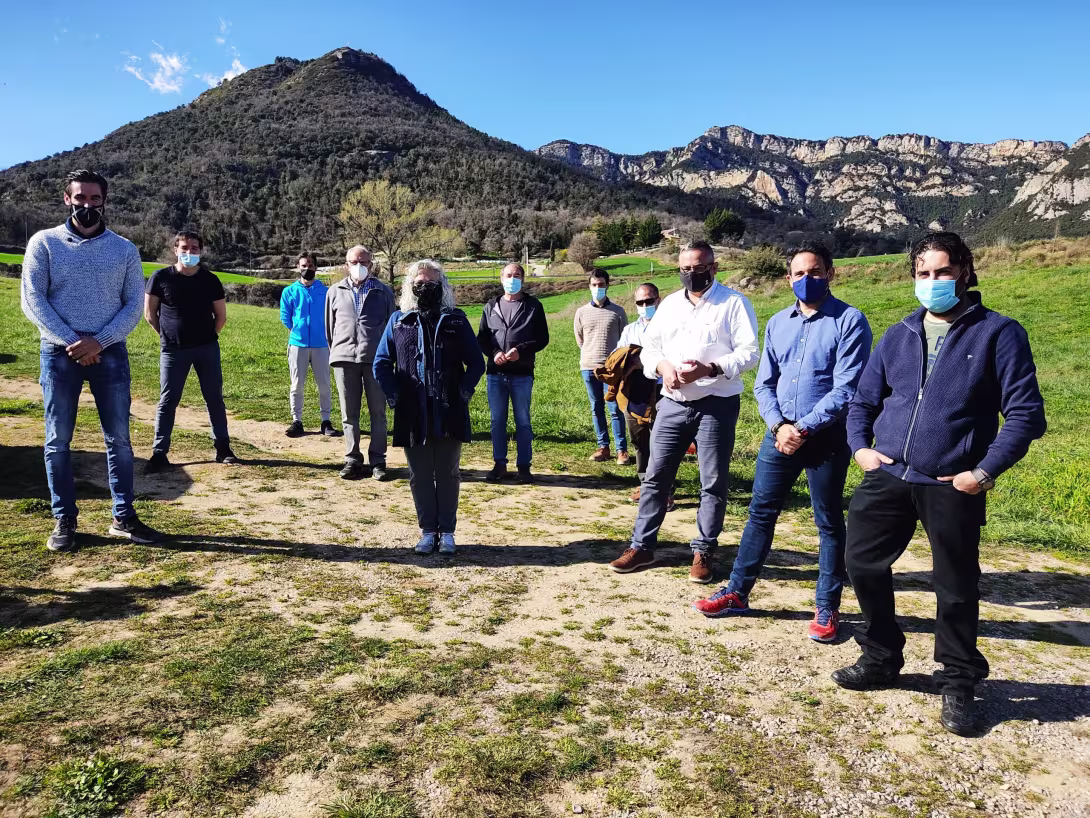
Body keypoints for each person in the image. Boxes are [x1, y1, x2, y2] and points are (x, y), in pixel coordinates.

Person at [833, 232, 1046, 737]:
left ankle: (958, 682)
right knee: (860, 563)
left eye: (943, 272)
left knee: (954, 586)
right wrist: (861, 448)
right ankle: (882, 656)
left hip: (953, 483)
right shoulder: (898, 333)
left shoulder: (999, 333)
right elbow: (863, 401)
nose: (933, 283)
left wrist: (983, 472)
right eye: (924, 273)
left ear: (966, 272)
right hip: (888, 474)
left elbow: (1025, 415)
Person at [694, 241, 872, 643]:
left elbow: (847, 388)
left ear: (830, 273)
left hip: (825, 438)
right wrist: (779, 427)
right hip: (779, 436)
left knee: (828, 520)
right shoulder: (777, 322)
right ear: (787, 278)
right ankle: (738, 591)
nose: (806, 279)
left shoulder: (850, 321)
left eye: (814, 272)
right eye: (798, 273)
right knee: (760, 512)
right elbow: (763, 383)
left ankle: (827, 605)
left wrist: (803, 427)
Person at [20, 169, 162, 551]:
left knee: (119, 439)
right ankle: (64, 519)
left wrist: (98, 341)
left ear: (104, 201)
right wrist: (72, 341)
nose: (87, 205)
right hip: (58, 351)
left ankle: (123, 517)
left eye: (94, 199)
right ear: (67, 199)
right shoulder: (44, 243)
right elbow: (33, 300)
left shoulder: (124, 249)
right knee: (58, 440)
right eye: (79, 198)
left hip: (110, 351)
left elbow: (133, 305)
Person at [610, 241, 759, 583]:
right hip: (673, 403)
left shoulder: (735, 304)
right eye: (685, 268)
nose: (692, 274)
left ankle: (704, 550)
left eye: (699, 267)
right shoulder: (670, 306)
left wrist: (709, 368)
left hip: (716, 403)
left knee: (713, 481)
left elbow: (749, 353)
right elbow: (650, 348)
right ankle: (642, 546)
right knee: (655, 477)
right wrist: (662, 366)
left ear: (714, 267)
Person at [373, 260, 485, 555]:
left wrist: (462, 392)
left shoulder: (457, 320)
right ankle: (427, 531)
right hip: (413, 411)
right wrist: (395, 394)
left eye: (431, 284)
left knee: (448, 472)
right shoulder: (399, 321)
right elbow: (381, 363)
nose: (425, 289)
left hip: (449, 409)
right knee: (419, 473)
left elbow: (476, 363)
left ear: (442, 287)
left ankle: (447, 532)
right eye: (419, 284)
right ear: (410, 287)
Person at [144, 231, 238, 471]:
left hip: (206, 349)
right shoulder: (160, 277)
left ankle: (223, 448)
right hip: (173, 351)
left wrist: (210, 336)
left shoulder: (210, 280)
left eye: (194, 248)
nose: (189, 252)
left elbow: (221, 316)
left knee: (214, 398)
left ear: (201, 251)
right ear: (175, 249)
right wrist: (166, 336)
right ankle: (159, 453)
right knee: (168, 400)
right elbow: (149, 314)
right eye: (184, 248)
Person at [326, 245, 396, 480]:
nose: (359, 267)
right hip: (344, 359)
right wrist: (338, 351)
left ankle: (378, 460)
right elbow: (330, 328)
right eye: (354, 262)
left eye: (364, 262)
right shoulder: (334, 292)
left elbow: (390, 328)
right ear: (346, 264)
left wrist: (387, 359)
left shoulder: (383, 292)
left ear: (371, 264)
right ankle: (352, 458)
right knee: (349, 413)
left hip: (376, 360)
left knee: (378, 412)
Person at [478, 263, 550, 483]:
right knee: (497, 421)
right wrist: (494, 352)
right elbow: (482, 337)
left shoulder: (533, 306)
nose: (512, 279)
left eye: (517, 275)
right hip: (495, 374)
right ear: (501, 279)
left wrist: (521, 350)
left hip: (522, 374)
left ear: (523, 279)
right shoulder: (491, 306)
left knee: (523, 421)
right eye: (508, 275)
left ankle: (524, 467)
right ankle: (499, 464)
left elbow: (542, 338)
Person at [574, 270, 631, 464]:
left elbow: (625, 341)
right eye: (594, 285)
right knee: (596, 407)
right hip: (588, 367)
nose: (598, 288)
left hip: (612, 370)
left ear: (607, 285)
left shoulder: (618, 312)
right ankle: (603, 447)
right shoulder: (581, 312)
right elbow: (580, 339)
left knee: (615, 408)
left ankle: (621, 450)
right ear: (589, 286)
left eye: (601, 285)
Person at [281, 253, 337, 438]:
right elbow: (285, 317)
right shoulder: (289, 291)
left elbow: (332, 316)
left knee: (324, 384)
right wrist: (297, 331)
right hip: (298, 345)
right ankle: (297, 421)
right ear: (298, 267)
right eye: (304, 265)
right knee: (297, 384)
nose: (308, 268)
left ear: (316, 268)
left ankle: (326, 421)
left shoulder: (326, 291)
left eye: (311, 265)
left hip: (322, 345)